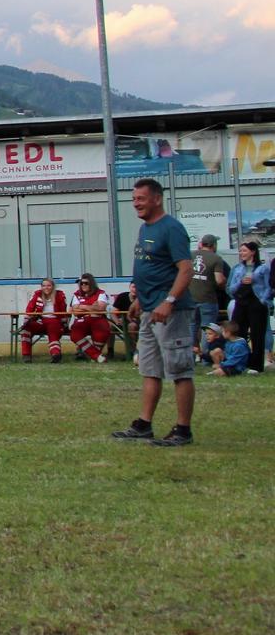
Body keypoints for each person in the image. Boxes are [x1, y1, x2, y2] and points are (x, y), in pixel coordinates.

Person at [111, 179, 197, 447]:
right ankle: (143, 424)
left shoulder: (171, 228)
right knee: (150, 370)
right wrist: (141, 302)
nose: (136, 203)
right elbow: (151, 268)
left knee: (180, 370)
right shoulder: (144, 228)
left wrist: (169, 300)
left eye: (141, 198)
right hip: (149, 310)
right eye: (134, 198)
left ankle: (183, 430)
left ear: (157, 199)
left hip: (171, 313)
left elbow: (186, 269)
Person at [227, 240, 269, 373]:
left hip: (256, 303)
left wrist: (263, 300)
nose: (241, 253)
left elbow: (269, 287)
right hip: (241, 302)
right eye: (240, 251)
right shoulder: (237, 268)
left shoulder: (263, 268)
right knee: (239, 332)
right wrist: (240, 281)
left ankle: (256, 366)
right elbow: (231, 288)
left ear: (253, 252)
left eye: (244, 250)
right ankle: (240, 362)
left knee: (257, 334)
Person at [186, 234, 230, 348]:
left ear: (202, 244)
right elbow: (219, 280)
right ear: (214, 245)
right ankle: (206, 357)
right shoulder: (216, 258)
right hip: (208, 299)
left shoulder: (190, 255)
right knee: (207, 328)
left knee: (191, 326)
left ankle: (190, 355)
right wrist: (226, 282)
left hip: (190, 298)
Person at [20, 277, 68, 362]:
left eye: (49, 285)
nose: (46, 287)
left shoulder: (60, 295)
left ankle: (56, 355)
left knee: (53, 333)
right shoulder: (37, 295)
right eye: (44, 286)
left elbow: (63, 311)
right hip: (40, 320)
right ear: (41, 287)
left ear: (53, 286)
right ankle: (26, 355)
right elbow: (29, 310)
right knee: (26, 330)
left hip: (55, 321)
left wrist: (64, 325)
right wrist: (26, 322)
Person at [68, 274, 113, 363]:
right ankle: (96, 356)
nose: (83, 285)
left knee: (102, 331)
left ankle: (95, 356)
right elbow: (75, 312)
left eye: (86, 283)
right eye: (81, 283)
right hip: (82, 320)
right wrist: (91, 307)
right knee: (75, 335)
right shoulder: (76, 294)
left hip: (98, 319)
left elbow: (101, 309)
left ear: (91, 283)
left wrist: (81, 306)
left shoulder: (100, 293)